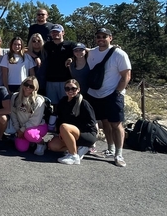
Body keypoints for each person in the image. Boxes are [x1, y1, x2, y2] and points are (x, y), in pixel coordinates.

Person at [86, 28, 132, 167]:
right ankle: (110, 148)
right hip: (95, 93)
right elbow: (84, 50)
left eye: (104, 36)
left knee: (116, 124)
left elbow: (126, 76)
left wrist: (117, 92)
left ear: (110, 38)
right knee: (104, 122)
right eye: (98, 36)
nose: (101, 39)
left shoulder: (119, 54)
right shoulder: (92, 52)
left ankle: (119, 154)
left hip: (113, 94)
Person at [48, 79, 98, 165]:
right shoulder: (63, 101)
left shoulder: (83, 103)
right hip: (68, 133)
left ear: (78, 89)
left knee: (64, 126)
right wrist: (60, 133)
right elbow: (59, 118)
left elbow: (92, 122)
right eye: (67, 89)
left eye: (73, 89)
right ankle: (79, 148)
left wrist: (70, 129)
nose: (70, 91)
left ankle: (73, 155)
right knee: (52, 146)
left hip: (86, 133)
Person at [10, 77, 48, 155]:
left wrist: (22, 130)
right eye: (26, 84)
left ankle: (41, 143)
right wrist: (17, 128)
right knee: (21, 148)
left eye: (31, 86)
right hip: (21, 127)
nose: (28, 87)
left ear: (35, 88)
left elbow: (35, 121)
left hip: (37, 126)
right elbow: (13, 113)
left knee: (29, 134)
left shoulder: (38, 100)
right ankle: (30, 141)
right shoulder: (15, 96)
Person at [43, 25, 76, 105]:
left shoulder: (70, 45)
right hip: (50, 81)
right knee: (52, 106)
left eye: (57, 31)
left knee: (66, 104)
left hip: (65, 81)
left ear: (63, 33)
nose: (55, 33)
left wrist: (72, 58)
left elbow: (82, 52)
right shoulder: (47, 45)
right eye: (53, 32)